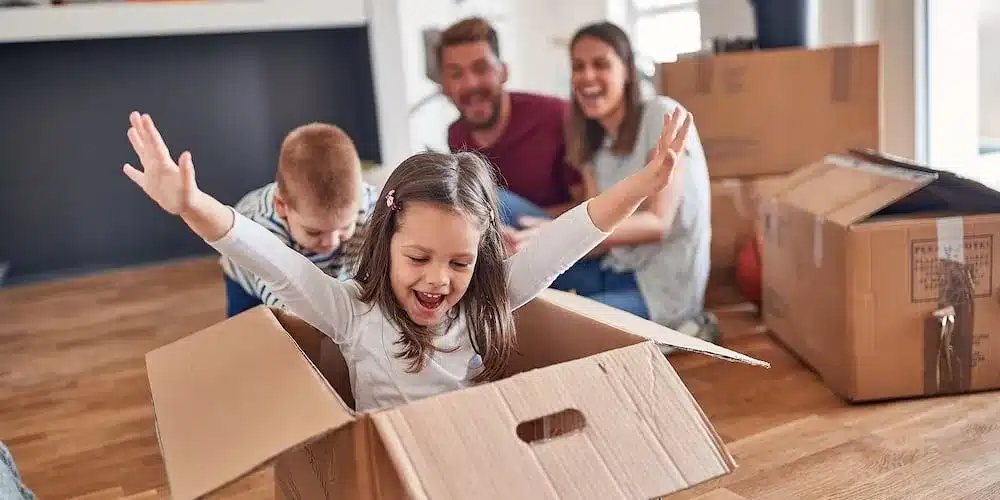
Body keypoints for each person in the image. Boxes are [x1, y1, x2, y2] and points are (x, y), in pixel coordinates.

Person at [120, 105, 691, 411]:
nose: (439, 280)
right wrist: (191, 204)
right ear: (384, 238)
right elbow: (266, 254)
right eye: (418, 257)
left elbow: (572, 235)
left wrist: (643, 184)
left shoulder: (488, 303)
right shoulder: (348, 311)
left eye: (459, 263)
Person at [511, 22, 719, 344]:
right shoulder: (594, 146)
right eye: (578, 67)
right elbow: (594, 240)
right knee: (500, 209)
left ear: (627, 71)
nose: (587, 76)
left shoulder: (661, 115)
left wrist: (549, 235)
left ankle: (685, 325)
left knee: (552, 330)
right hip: (610, 269)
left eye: (601, 64)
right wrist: (536, 245)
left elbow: (657, 223)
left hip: (659, 289)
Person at [220, 122, 378, 317]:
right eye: (314, 232)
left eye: (345, 227)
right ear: (282, 206)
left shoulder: (365, 206)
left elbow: (362, 271)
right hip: (249, 277)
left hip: (325, 270)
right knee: (249, 328)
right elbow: (279, 298)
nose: (332, 242)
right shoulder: (262, 227)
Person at [438, 17, 584, 228]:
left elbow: (587, 205)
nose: (470, 84)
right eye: (456, 74)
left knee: (492, 201)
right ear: (444, 86)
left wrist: (522, 222)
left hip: (564, 239)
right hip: (505, 247)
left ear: (503, 72)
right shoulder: (456, 135)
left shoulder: (558, 115)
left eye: (481, 69)